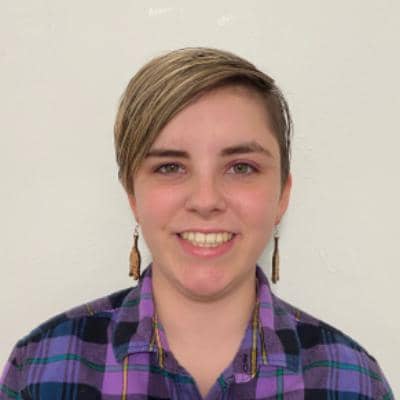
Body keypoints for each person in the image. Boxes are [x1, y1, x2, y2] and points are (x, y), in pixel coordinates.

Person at [0, 47, 393, 400]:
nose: (206, 201)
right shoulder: (40, 370)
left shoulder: (354, 382)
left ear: (282, 195)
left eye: (241, 167)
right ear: (132, 195)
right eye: (170, 167)